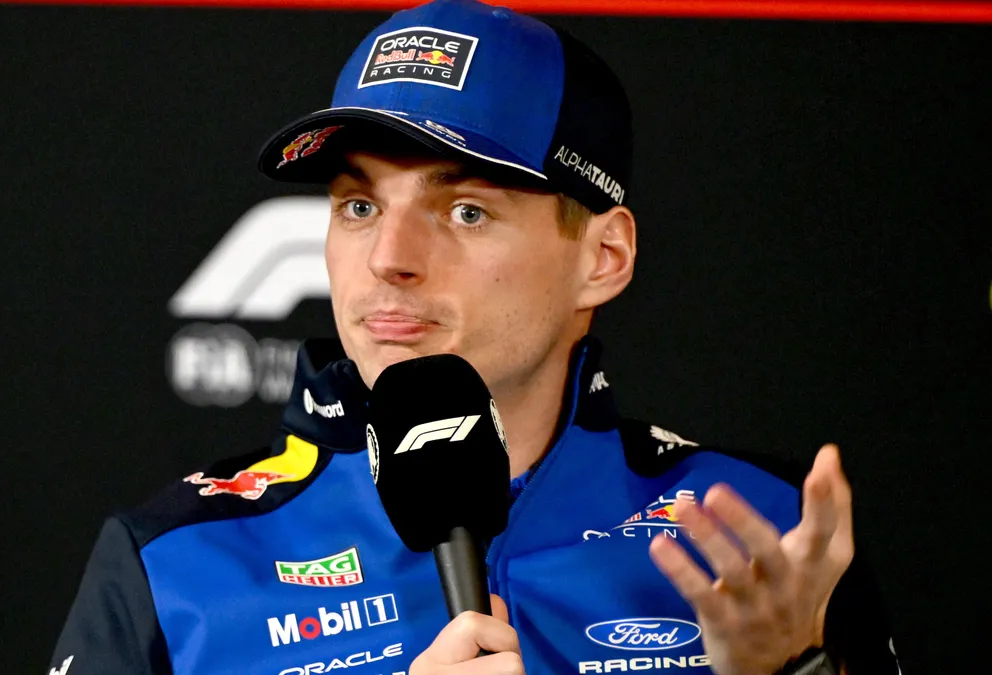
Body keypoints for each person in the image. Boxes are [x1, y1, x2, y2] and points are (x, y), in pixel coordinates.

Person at [49, 1, 900, 673]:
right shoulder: (175, 561)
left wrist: (795, 670)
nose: (388, 257)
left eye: (465, 210)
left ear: (603, 258)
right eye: (359, 205)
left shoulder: (767, 538)